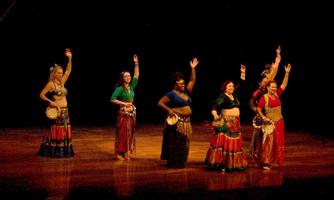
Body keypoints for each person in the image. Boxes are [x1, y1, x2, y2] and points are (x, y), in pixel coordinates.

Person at [205, 64, 248, 172]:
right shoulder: (222, 96)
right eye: (229, 86)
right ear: (225, 87)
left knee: (234, 143)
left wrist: (243, 72)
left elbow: (241, 84)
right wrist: (215, 115)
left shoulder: (235, 95)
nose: (231, 88)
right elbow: (214, 105)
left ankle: (232, 163)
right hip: (227, 122)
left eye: (232, 86)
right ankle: (222, 163)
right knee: (225, 143)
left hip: (236, 123)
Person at [157, 57, 199, 168]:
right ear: (176, 84)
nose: (183, 85)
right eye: (181, 84)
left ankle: (181, 162)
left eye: (183, 83)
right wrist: (169, 110)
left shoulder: (187, 91)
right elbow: (160, 103)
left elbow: (193, 80)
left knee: (185, 142)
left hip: (186, 122)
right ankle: (173, 162)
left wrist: (193, 68)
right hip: (177, 122)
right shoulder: (171, 94)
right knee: (176, 142)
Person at [38, 48, 74, 157]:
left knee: (64, 129)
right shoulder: (51, 84)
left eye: (61, 73)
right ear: (54, 73)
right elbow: (41, 94)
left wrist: (70, 58)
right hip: (57, 111)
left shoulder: (62, 82)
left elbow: (68, 71)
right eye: (58, 73)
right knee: (56, 130)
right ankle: (54, 151)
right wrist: (50, 101)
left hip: (65, 111)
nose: (60, 74)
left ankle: (64, 151)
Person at [249, 46, 281, 164]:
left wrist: (276, 65)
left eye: (267, 80)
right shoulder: (259, 92)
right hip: (260, 116)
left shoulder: (269, 90)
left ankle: (265, 157)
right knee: (257, 136)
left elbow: (272, 77)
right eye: (264, 81)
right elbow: (251, 102)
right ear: (261, 82)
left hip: (268, 116)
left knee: (267, 138)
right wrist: (257, 111)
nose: (266, 81)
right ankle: (255, 155)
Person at [256, 63, 291, 170]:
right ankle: (265, 162)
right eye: (272, 87)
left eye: (275, 87)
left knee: (278, 142)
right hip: (269, 123)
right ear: (267, 88)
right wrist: (263, 117)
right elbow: (258, 109)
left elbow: (284, 85)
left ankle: (273, 161)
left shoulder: (277, 94)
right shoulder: (264, 98)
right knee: (269, 144)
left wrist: (287, 73)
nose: (274, 89)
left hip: (279, 122)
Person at [110, 54, 140, 161]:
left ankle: (126, 151)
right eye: (126, 76)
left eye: (129, 76)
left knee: (130, 133)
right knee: (122, 133)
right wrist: (123, 103)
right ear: (122, 78)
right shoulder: (120, 88)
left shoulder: (131, 87)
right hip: (123, 114)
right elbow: (112, 99)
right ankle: (120, 152)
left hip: (131, 114)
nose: (128, 77)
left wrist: (136, 63)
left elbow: (137, 75)